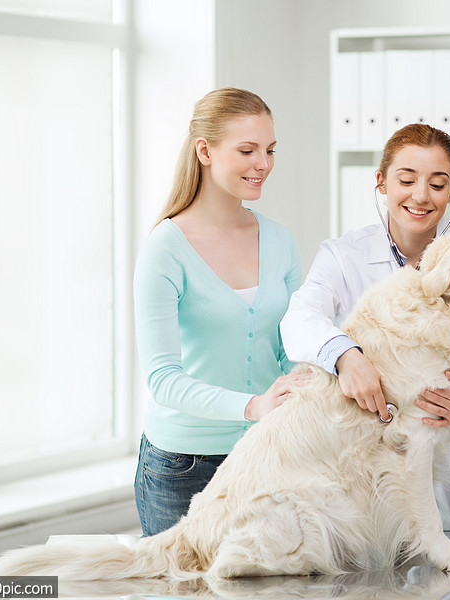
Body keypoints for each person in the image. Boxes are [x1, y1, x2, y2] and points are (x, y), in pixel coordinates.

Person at [280, 123, 450, 531]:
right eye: (406, 180)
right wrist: (345, 356)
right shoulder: (344, 257)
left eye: (437, 183)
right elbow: (299, 319)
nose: (421, 196)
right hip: (371, 473)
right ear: (382, 183)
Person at [133, 88, 307, 536]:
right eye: (247, 150)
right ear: (205, 151)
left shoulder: (280, 240)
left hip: (268, 454)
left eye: (269, 150)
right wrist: (254, 406)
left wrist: (308, 382)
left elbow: (291, 348)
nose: (263, 163)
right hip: (183, 467)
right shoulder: (165, 249)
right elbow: (163, 380)